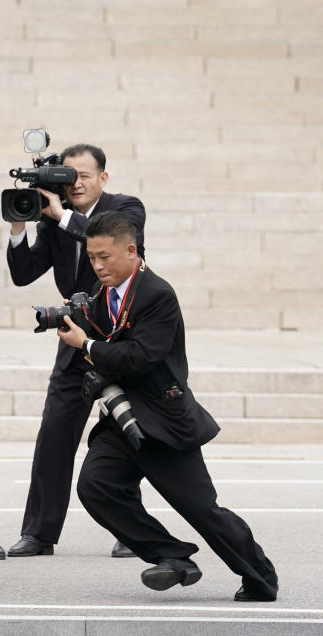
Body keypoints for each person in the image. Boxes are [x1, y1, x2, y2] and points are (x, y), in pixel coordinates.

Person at [57, 211, 278, 602]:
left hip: (163, 421)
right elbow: (106, 339)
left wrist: (86, 345)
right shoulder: (101, 290)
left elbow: (141, 357)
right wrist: (78, 321)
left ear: (130, 250)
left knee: (202, 511)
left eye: (105, 257)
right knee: (96, 488)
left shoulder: (158, 293)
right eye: (92, 257)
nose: (98, 265)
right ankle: (173, 556)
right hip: (120, 417)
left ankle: (260, 576)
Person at [6, 143, 146, 559]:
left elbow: (105, 235)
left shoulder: (126, 208)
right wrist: (20, 221)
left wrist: (62, 215)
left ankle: (131, 532)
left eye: (84, 175)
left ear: (103, 178)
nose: (76, 183)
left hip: (122, 333)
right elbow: (23, 274)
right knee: (54, 432)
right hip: (74, 333)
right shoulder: (54, 218)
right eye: (69, 175)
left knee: (127, 434)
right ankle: (39, 533)